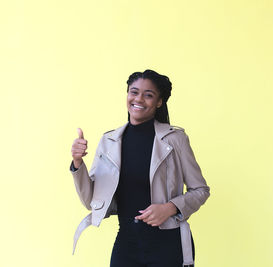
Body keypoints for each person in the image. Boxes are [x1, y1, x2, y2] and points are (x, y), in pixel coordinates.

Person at [70, 69, 210, 267]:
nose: (139, 99)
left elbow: (201, 191)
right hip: (126, 245)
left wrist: (170, 208)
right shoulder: (109, 141)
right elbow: (92, 201)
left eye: (149, 95)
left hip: (168, 245)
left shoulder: (175, 139)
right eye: (134, 92)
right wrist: (77, 163)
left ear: (159, 102)